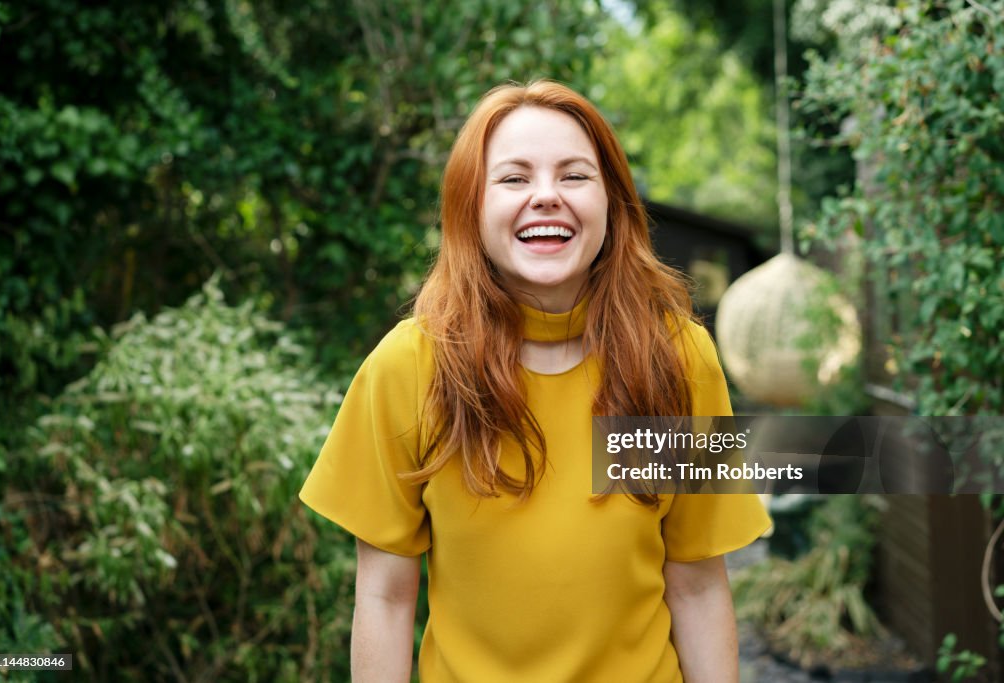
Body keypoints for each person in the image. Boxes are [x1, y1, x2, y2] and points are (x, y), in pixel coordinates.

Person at [300, 79, 771, 682]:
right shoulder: (409, 367)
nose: (546, 196)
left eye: (574, 176)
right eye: (514, 178)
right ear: (472, 206)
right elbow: (387, 599)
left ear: (612, 203)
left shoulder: (676, 359)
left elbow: (698, 584)